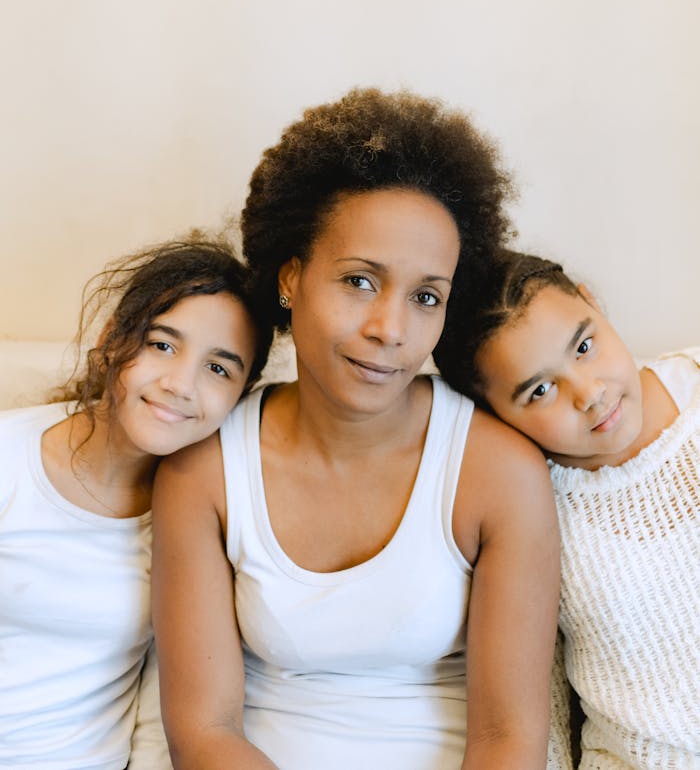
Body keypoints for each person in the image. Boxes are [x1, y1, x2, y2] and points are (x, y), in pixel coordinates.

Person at [152, 88, 561, 770]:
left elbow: (509, 741)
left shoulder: (497, 471)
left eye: (426, 296)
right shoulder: (204, 472)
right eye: (360, 281)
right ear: (292, 278)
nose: (391, 331)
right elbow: (204, 731)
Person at [0, 236, 271, 770]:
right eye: (162, 345)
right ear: (110, 342)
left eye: (218, 369)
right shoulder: (10, 457)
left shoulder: (205, 518)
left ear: (240, 397)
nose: (179, 384)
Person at [434, 250, 700, 769]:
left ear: (592, 303)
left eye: (584, 345)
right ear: (496, 416)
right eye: (540, 390)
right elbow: (541, 710)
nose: (589, 393)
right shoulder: (527, 504)